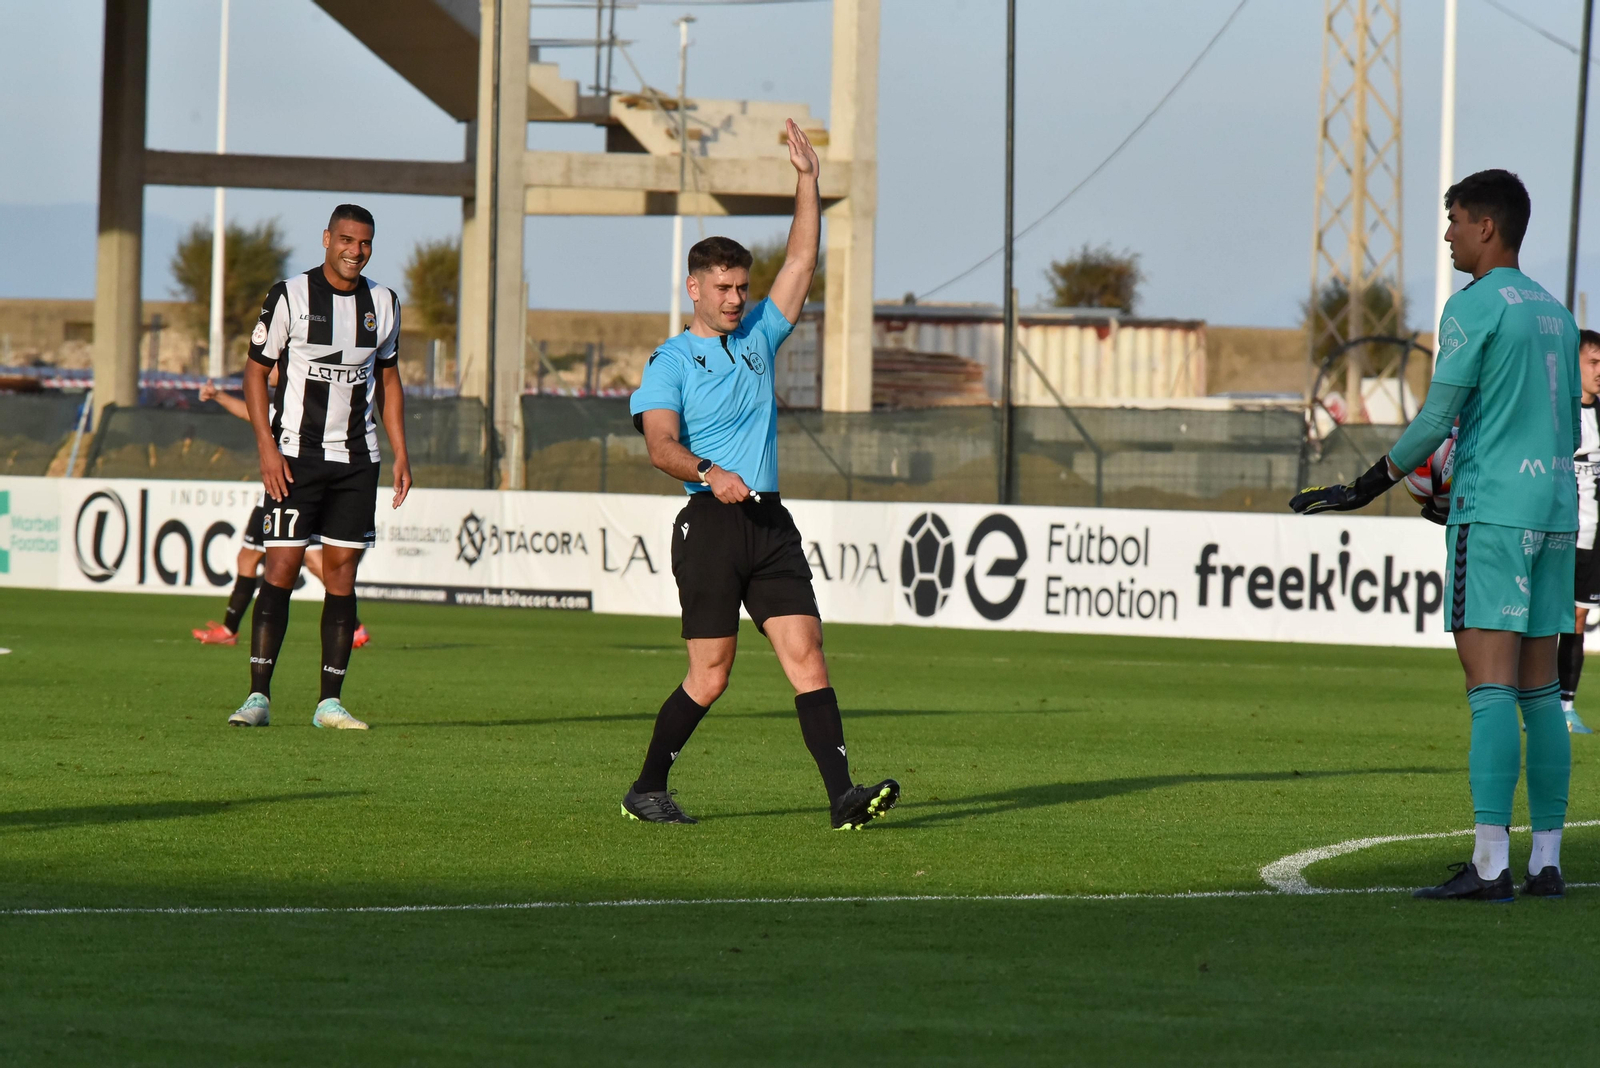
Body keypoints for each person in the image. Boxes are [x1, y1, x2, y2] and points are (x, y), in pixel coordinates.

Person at [1291, 169, 1577, 900]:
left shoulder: (1471, 307)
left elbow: (1432, 423)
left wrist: (1364, 485)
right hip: (1555, 510)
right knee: (1541, 694)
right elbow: (1570, 427)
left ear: (1487, 226)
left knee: (1490, 690)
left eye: (1454, 221)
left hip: (1495, 509)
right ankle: (1547, 860)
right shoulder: (1557, 314)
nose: (1447, 236)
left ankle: (1488, 865)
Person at [622, 119, 898, 830]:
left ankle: (843, 798)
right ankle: (647, 787)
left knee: (807, 654)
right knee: (710, 676)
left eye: (743, 287)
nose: (737, 299)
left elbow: (802, 265)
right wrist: (708, 472)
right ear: (694, 287)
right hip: (710, 524)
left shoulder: (757, 336)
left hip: (769, 523)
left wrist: (807, 183)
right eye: (723, 288)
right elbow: (660, 445)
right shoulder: (670, 363)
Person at [227, 203, 411, 730]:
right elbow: (256, 374)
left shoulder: (385, 303)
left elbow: (391, 381)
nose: (356, 251)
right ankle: (258, 698)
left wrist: (400, 451)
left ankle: (329, 702)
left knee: (341, 575)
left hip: (357, 460)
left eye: (366, 242)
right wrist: (266, 447)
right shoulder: (289, 295)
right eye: (347, 240)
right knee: (280, 569)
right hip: (294, 457)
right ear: (327, 239)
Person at [191, 379, 370, 650]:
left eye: (276, 364)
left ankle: (352, 624)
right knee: (248, 557)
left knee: (312, 561)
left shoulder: (301, 400)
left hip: (293, 494)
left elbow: (255, 412)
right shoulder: (290, 398)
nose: (270, 369)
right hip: (276, 493)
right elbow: (252, 412)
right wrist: (219, 396)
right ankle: (229, 628)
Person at [1558, 329, 1600, 734]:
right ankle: (1533, 701)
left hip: (1591, 537)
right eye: (1593, 362)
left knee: (1578, 619)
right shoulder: (1558, 414)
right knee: (1540, 619)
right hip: (1556, 532)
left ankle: (1565, 707)